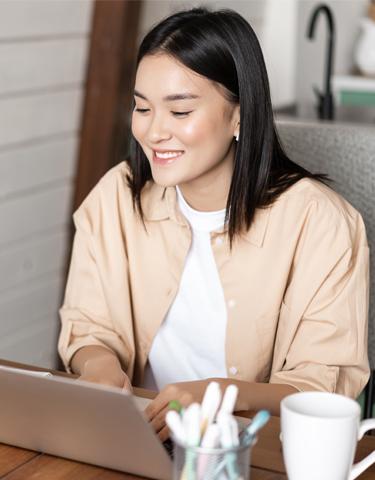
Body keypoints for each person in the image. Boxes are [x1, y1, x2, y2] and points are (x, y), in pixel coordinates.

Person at [58, 7, 370, 441]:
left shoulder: (319, 223)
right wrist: (99, 367)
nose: (153, 132)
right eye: (142, 107)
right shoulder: (117, 195)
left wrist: (224, 395)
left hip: (252, 452)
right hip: (136, 441)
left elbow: (320, 388)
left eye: (180, 112)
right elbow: (90, 328)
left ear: (239, 114)